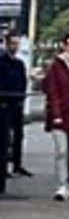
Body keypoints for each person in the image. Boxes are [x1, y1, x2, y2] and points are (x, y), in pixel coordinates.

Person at [42, 34, 69, 200]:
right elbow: (51, 91)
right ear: (64, 46)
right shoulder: (55, 66)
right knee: (62, 151)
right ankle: (62, 185)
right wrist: (56, 115)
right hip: (59, 116)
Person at [0, 31, 27, 182]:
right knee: (4, 139)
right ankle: (3, 169)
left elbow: (22, 83)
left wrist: (21, 100)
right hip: (3, 106)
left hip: (16, 105)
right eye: (12, 43)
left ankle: (17, 164)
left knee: (18, 136)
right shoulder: (2, 63)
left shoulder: (19, 64)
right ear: (6, 44)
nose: (15, 47)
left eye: (17, 44)